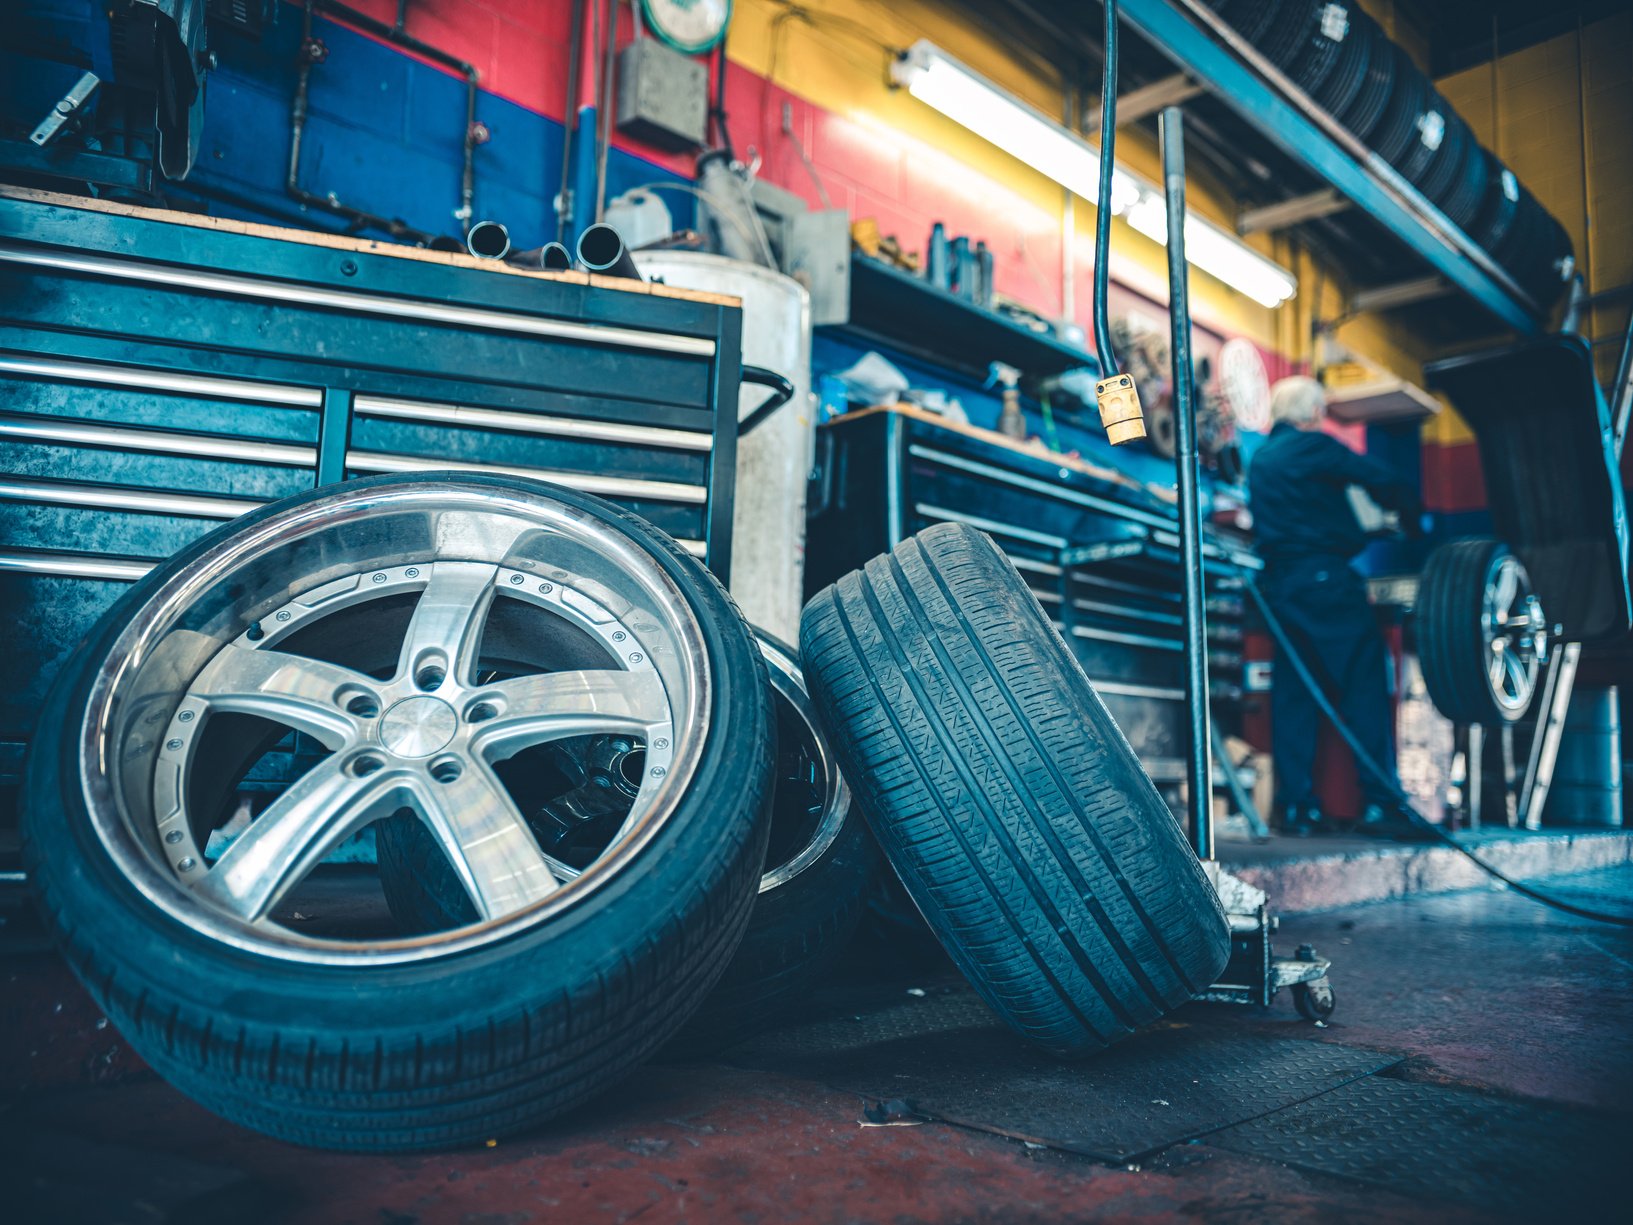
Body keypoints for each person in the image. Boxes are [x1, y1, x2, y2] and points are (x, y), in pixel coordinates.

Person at [1247, 376, 1422, 839]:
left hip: (1279, 587)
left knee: (1295, 695)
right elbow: (1380, 478)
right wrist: (1409, 516)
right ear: (1309, 415)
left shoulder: (1261, 458)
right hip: (1325, 579)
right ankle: (1381, 804)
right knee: (1366, 680)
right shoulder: (1314, 447)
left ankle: (1296, 807)